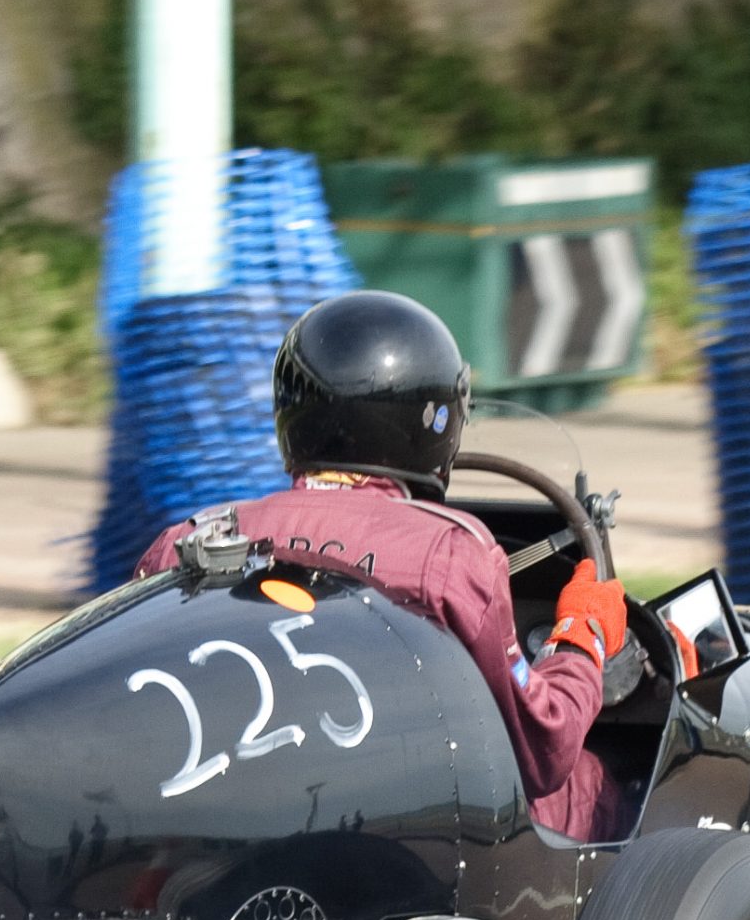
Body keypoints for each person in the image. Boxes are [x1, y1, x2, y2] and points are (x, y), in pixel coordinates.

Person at [132, 290, 630, 841]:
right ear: (433, 422)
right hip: (408, 829)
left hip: (218, 822)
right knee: (601, 784)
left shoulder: (187, 539)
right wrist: (582, 634)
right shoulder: (450, 554)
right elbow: (543, 749)